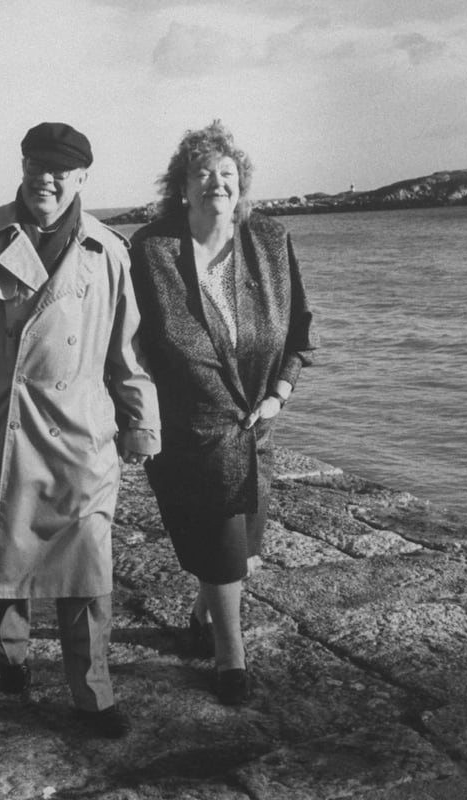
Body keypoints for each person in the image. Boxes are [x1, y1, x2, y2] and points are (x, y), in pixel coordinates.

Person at [0, 122, 160, 738]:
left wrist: (141, 423)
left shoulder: (108, 249)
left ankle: (94, 696)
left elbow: (127, 353)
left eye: (60, 170)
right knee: (0, 556)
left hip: (78, 436)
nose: (45, 179)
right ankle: (11, 657)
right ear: (22, 166)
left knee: (86, 568)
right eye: (35, 165)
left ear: (83, 177)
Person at [129, 121, 317, 705]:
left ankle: (200, 614)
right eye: (203, 173)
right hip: (188, 432)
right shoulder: (152, 250)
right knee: (224, 551)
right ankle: (230, 659)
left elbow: (301, 337)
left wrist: (279, 395)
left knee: (244, 555)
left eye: (228, 174)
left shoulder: (270, 241)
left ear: (242, 187)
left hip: (254, 429)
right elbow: (128, 340)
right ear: (181, 187)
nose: (217, 182)